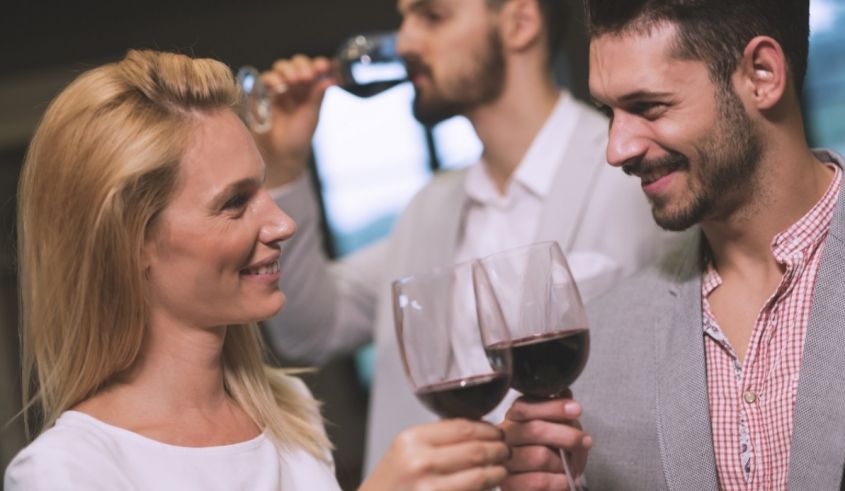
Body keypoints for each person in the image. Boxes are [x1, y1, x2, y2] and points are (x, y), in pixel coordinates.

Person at [3, 49, 511, 491]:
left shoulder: (289, 408)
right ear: (132, 241)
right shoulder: (67, 471)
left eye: (265, 190)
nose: (284, 223)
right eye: (234, 203)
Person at [257, 0, 673, 472]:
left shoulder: (639, 180)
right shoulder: (427, 208)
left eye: (432, 16)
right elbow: (312, 328)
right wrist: (286, 166)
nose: (407, 41)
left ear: (520, 22)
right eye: (405, 19)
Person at [503, 0, 845, 489]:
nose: (616, 149)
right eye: (609, 112)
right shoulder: (598, 345)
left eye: (648, 107)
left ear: (763, 75)